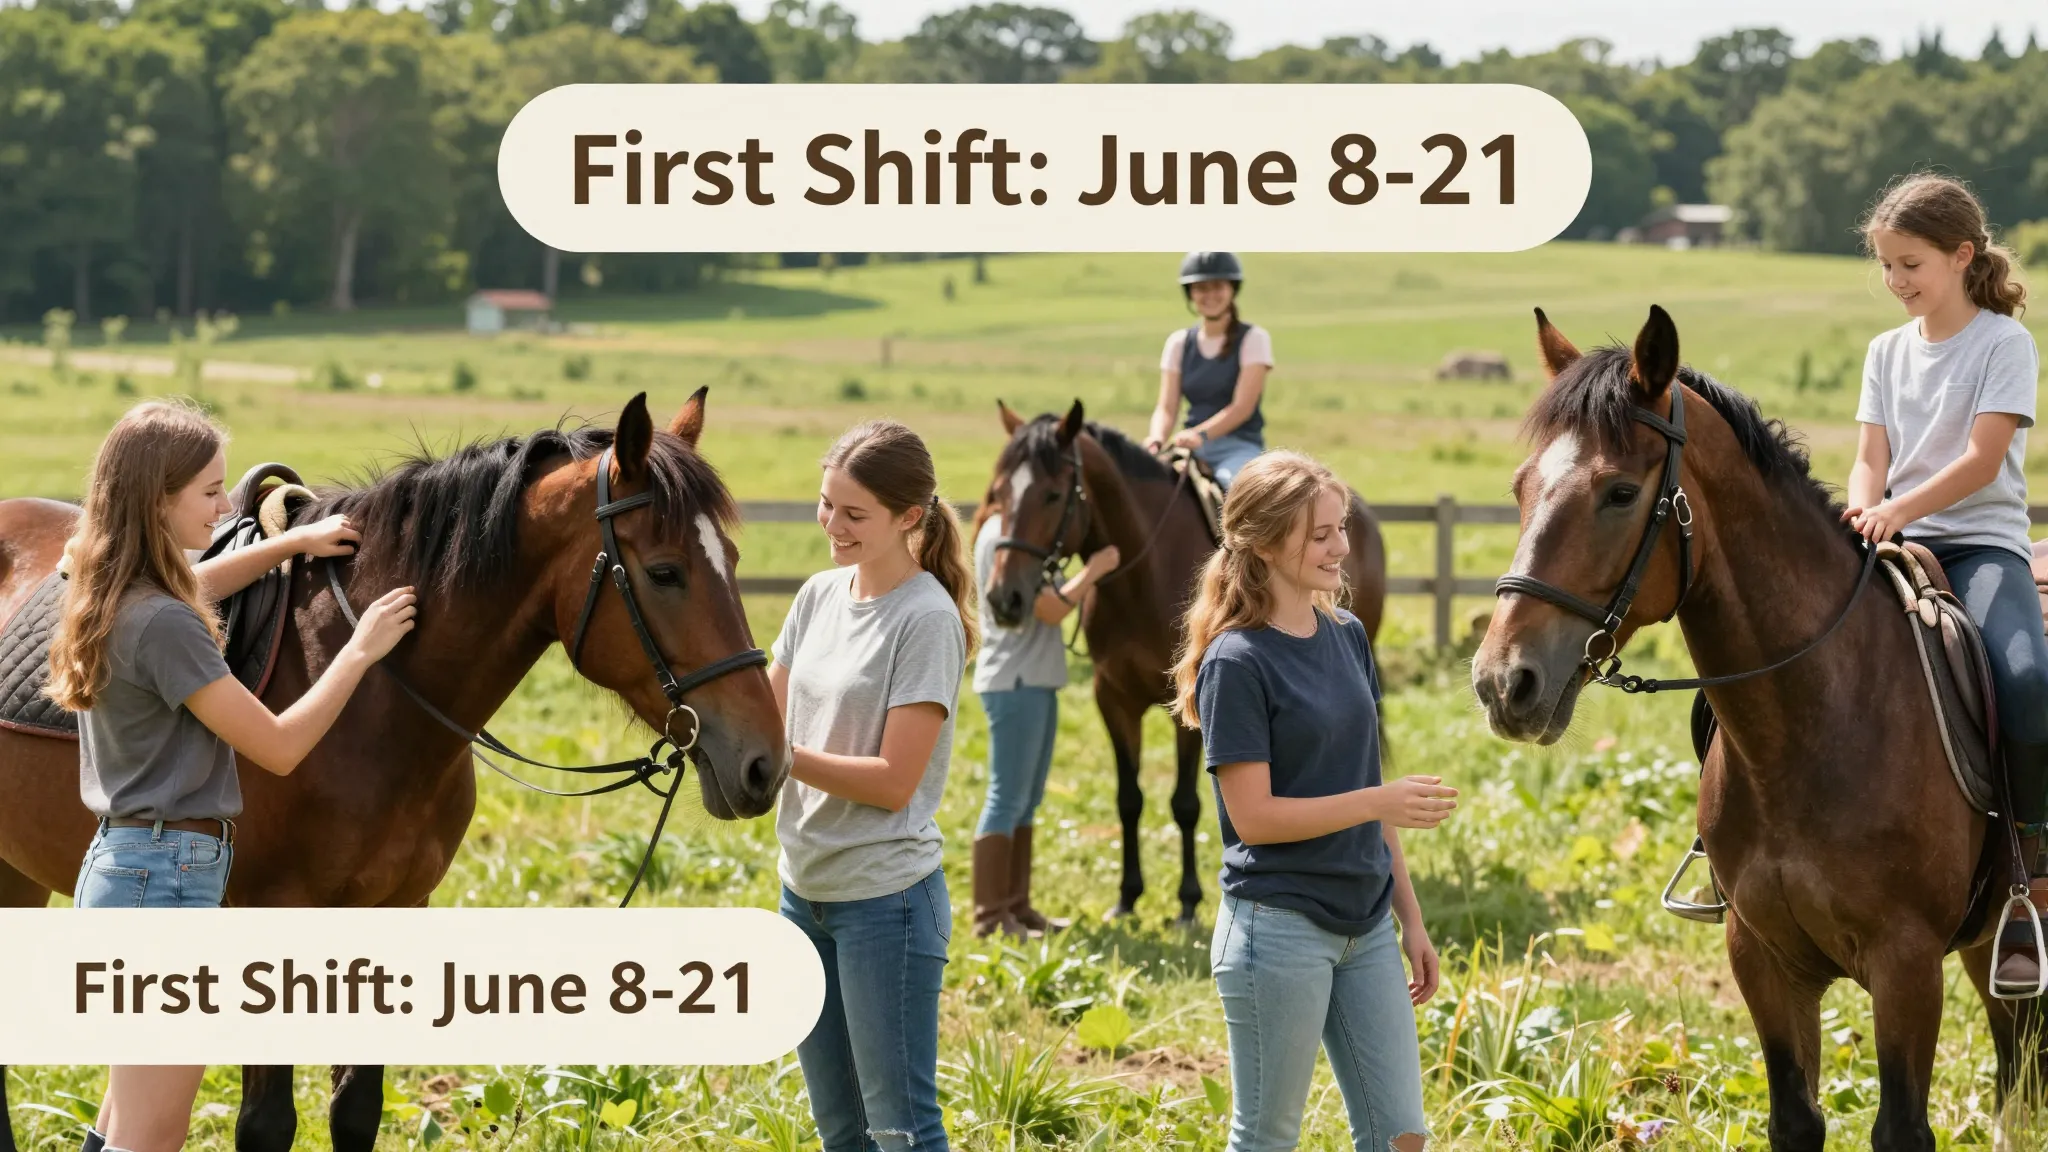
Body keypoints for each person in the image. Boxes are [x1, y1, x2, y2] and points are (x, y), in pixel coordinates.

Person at [44, 398, 416, 1152]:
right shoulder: (169, 624)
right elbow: (277, 746)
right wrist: (360, 650)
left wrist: (290, 545)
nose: (226, 505)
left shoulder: (115, 592)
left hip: (127, 872)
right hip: (165, 887)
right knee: (149, 1140)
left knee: (117, 1127)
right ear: (158, 501)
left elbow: (199, 582)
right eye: (210, 492)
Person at [1170, 450, 1456, 1152]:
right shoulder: (1237, 662)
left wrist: (1410, 920)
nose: (1343, 548)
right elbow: (1256, 818)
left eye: (1343, 528)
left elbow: (1368, 790)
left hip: (1366, 929)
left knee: (1402, 1135)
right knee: (1268, 1139)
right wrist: (1375, 800)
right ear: (1266, 544)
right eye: (1321, 534)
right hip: (1279, 930)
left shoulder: (1347, 635)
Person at [1844, 172, 2047, 995]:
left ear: (1963, 256)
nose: (1897, 283)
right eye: (1887, 266)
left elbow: (1981, 460)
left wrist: (1896, 510)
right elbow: (1867, 457)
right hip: (1888, 541)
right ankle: (1727, 851)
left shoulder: (2003, 343)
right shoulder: (1884, 352)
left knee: (2029, 684)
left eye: (1912, 265)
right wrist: (1863, 515)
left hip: (1976, 547)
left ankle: (2029, 880)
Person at [767, 420, 974, 1152]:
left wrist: (780, 758)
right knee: (840, 1131)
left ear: (909, 517)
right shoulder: (818, 596)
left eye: (854, 514)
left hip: (887, 904)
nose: (834, 525)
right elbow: (767, 714)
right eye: (827, 505)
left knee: (901, 1130)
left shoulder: (926, 619)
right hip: (804, 891)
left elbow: (893, 783)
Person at [967, 498, 1120, 938]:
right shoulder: (1004, 535)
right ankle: (991, 916)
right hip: (1016, 682)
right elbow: (1050, 609)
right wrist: (1095, 569)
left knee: (1026, 799)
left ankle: (1017, 907)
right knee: (1007, 797)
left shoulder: (1012, 530)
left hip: (1033, 680)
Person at [1144, 251, 1275, 489]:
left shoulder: (1254, 339)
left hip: (1238, 447)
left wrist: (1200, 435)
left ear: (1232, 289)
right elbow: (1166, 407)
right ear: (1190, 293)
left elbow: (1242, 408)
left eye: (1217, 287)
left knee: (1233, 489)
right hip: (1188, 446)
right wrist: (1156, 439)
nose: (1210, 295)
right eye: (1201, 288)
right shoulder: (1178, 343)